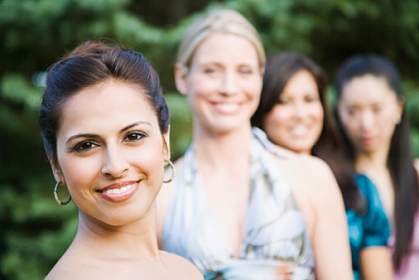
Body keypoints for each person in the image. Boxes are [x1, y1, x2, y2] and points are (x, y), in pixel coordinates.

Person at [157, 9, 352, 280]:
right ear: (182, 77)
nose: (228, 87)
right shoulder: (160, 192)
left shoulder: (312, 176)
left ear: (260, 77)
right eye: (212, 70)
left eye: (244, 71)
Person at [39, 41, 202, 280]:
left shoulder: (184, 271)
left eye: (133, 136)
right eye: (86, 145)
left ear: (164, 142)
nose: (115, 167)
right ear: (56, 166)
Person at [252, 52, 393, 280]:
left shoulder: (359, 190)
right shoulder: (248, 188)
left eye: (309, 100)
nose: (300, 114)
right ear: (263, 111)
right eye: (284, 102)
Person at [334, 54, 419, 279]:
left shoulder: (417, 176)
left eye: (377, 108)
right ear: (338, 113)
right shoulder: (334, 185)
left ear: (398, 108)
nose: (366, 123)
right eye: (353, 110)